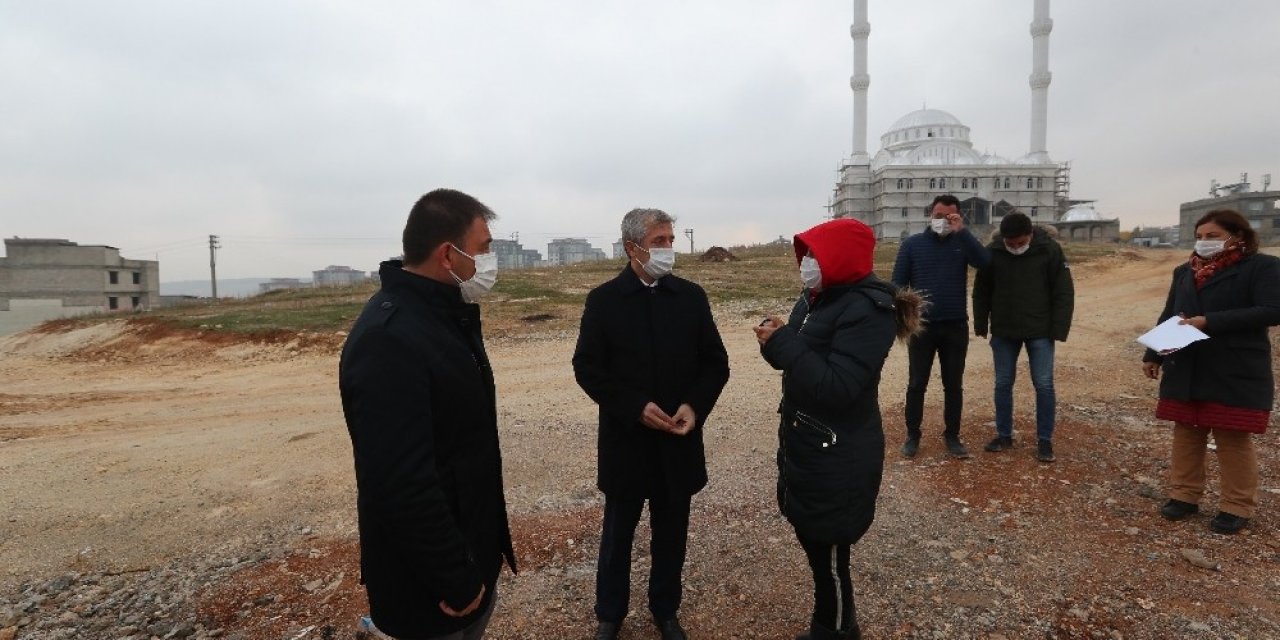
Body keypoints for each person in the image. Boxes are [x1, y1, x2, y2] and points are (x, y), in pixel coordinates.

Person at [339, 188, 515, 640]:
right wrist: (457, 579)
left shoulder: (442, 316)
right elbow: (399, 482)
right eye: (483, 249)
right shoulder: (390, 338)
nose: (489, 261)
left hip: (467, 559)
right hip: (431, 591)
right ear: (447, 255)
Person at [755, 218, 923, 640]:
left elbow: (838, 387)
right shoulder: (817, 298)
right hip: (811, 443)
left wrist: (784, 344)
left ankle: (834, 629)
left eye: (814, 255)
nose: (806, 264)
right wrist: (778, 339)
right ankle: (836, 623)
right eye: (805, 255)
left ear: (840, 257)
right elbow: (798, 361)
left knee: (828, 552)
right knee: (818, 546)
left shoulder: (868, 310)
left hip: (838, 452)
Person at [573, 208, 730, 640]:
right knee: (617, 533)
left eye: (670, 240)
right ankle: (610, 613)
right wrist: (633, 407)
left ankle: (665, 609)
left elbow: (715, 364)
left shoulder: (691, 298)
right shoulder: (603, 301)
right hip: (627, 441)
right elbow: (587, 367)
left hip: (679, 441)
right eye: (659, 241)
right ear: (632, 247)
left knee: (672, 533)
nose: (668, 249)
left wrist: (694, 407)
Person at [1142, 209, 1280, 534]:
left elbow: (1273, 310)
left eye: (1213, 236)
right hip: (1187, 364)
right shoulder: (1184, 271)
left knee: (1232, 436)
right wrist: (1154, 354)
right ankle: (1184, 496)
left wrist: (1211, 322)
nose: (1204, 243)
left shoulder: (1262, 268)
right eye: (1200, 236)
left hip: (1233, 366)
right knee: (1187, 432)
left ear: (1238, 237)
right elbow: (1170, 314)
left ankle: (1236, 506)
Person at [890, 194, 991, 459]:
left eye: (949, 217)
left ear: (957, 217)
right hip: (921, 328)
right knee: (916, 384)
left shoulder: (962, 243)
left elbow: (985, 263)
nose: (942, 221)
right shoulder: (912, 245)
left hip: (955, 326)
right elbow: (898, 284)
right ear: (930, 214)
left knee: (953, 385)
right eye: (938, 215)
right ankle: (913, 435)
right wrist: (904, 321)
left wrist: (963, 232)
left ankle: (952, 436)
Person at [972, 212, 1074, 462]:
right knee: (1003, 384)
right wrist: (980, 323)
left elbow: (1063, 291)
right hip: (1004, 330)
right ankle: (1004, 434)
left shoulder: (1049, 250)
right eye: (1011, 244)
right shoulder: (993, 252)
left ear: (1030, 235)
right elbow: (981, 290)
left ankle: (1044, 440)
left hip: (1040, 330)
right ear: (1003, 239)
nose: (1016, 247)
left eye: (1020, 243)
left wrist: (1059, 329)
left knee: (1044, 384)